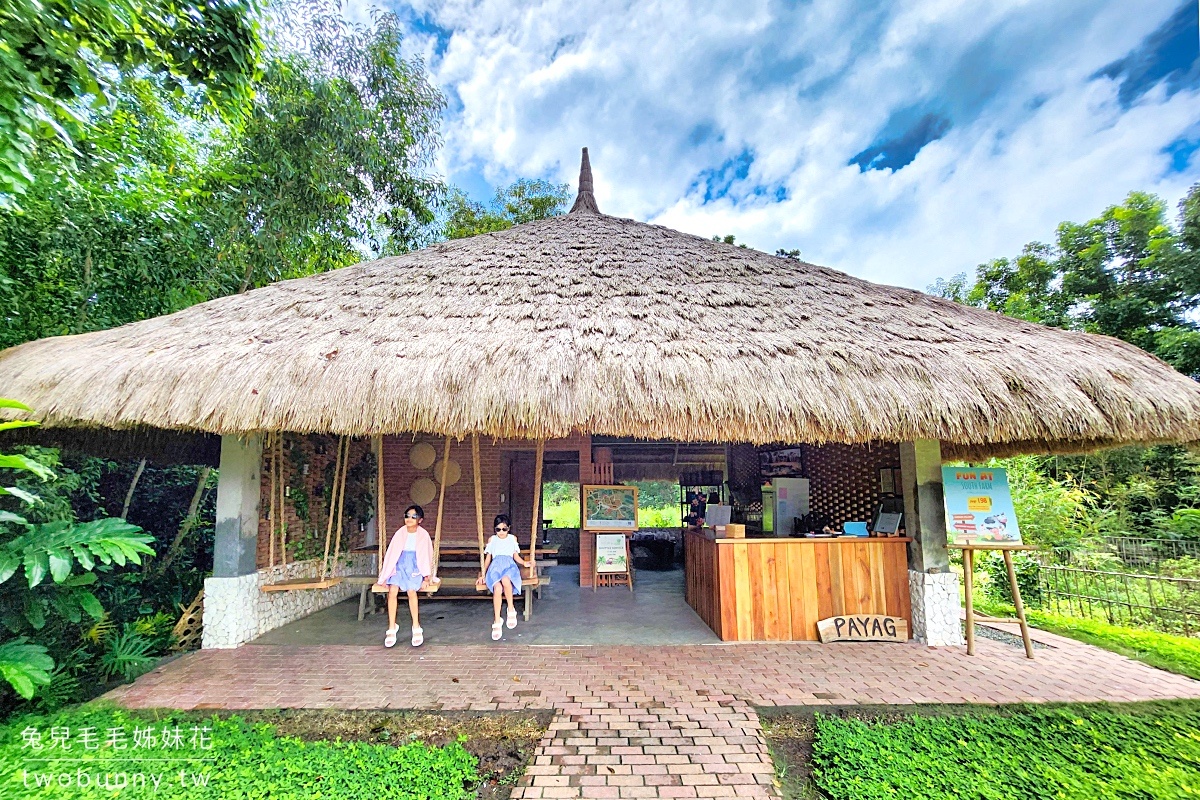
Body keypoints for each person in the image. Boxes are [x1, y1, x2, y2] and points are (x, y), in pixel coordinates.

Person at [376, 504, 439, 647]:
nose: (409, 519)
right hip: (399, 565)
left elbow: (426, 557)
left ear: (420, 520)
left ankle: (416, 626)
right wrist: (386, 575)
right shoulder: (400, 533)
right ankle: (392, 627)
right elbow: (392, 554)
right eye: (407, 516)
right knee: (392, 591)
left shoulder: (423, 535)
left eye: (413, 516)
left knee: (411, 591)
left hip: (415, 567)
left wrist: (426, 576)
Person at [476, 514, 530, 640]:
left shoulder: (512, 539)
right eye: (498, 529)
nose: (501, 532)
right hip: (495, 567)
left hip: (509, 566)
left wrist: (524, 563)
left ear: (509, 528)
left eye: (504, 529)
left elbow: (515, 556)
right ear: (495, 530)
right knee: (498, 588)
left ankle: (511, 609)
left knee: (506, 579)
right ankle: (497, 620)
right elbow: (488, 558)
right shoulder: (492, 540)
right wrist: (482, 574)